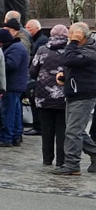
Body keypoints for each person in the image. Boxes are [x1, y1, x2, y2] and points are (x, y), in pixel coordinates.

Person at [53, 21, 96, 177]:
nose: (69, 37)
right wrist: (64, 77)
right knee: (75, 130)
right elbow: (73, 66)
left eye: (72, 34)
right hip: (73, 92)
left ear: (81, 35)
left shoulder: (90, 50)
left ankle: (72, 164)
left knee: (73, 131)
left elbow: (70, 60)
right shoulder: (81, 49)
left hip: (84, 95)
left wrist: (73, 42)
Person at [30, 24, 70, 168]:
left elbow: (33, 71)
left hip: (43, 94)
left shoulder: (42, 49)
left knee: (46, 129)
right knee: (62, 129)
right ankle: (61, 160)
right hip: (64, 96)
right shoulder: (70, 51)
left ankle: (47, 159)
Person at [0, 26, 29, 147]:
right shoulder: (17, 47)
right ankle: (15, 135)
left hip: (12, 84)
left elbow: (11, 65)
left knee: (8, 111)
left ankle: (6, 137)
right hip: (17, 84)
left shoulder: (15, 49)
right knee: (15, 111)